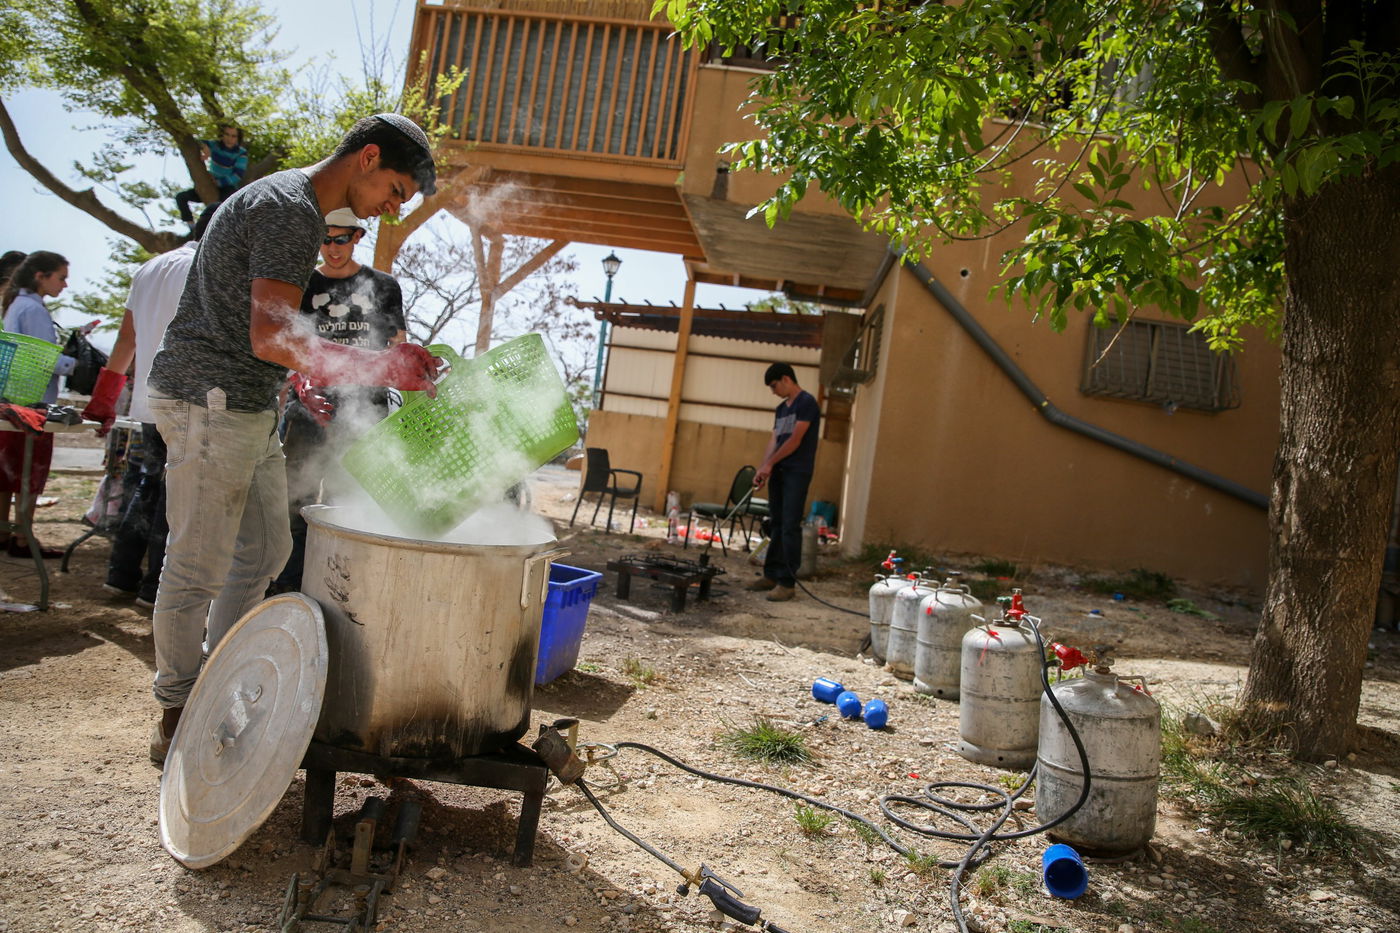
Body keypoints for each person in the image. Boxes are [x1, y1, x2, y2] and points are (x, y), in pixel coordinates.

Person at [144, 112, 441, 764]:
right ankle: (176, 711)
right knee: (197, 565)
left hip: (246, 406)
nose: (392, 209)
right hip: (208, 400)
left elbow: (277, 338)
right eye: (395, 190)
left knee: (268, 550)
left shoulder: (290, 205)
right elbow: (271, 337)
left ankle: (217, 688)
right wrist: (379, 366)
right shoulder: (288, 210)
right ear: (367, 158)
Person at [84, 211, 216, 607]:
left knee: (148, 484)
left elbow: (127, 339)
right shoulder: (207, 267)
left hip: (147, 399)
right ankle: (153, 587)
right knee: (175, 495)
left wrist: (104, 400)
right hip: (187, 399)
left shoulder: (150, 268)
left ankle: (120, 575)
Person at [272, 206, 406, 593]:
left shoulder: (383, 286)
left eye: (340, 239)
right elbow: (287, 347)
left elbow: (395, 346)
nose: (331, 248)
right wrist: (300, 384)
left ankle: (333, 589)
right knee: (293, 500)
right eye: (324, 239)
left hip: (366, 411)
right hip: (309, 408)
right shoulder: (304, 285)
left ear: (357, 238)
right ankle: (286, 589)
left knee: (345, 504)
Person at [1, 251, 79, 559]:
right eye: (61, 277)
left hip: (14, 399)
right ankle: (23, 538)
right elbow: (46, 359)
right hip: (34, 403)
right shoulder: (32, 309)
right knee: (29, 474)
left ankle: (7, 533)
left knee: (8, 472)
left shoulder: (16, 304)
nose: (65, 284)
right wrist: (80, 364)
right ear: (40, 276)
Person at [746, 362, 820, 602]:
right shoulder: (781, 409)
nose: (773, 391)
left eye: (774, 385)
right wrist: (764, 466)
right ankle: (771, 575)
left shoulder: (806, 403)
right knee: (775, 522)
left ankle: (787, 583)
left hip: (796, 472)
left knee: (789, 525)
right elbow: (775, 439)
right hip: (778, 471)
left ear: (786, 379)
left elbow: (795, 440)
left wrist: (770, 463)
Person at [173, 125, 248, 228]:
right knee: (181, 197)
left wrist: (219, 182)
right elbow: (196, 142)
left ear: (238, 138)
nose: (229, 138)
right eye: (227, 134)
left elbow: (238, 175)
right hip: (211, 182)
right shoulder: (215, 145)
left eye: (233, 136)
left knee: (225, 207)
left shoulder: (241, 153)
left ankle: (225, 229)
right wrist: (204, 148)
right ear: (222, 135)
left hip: (227, 186)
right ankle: (191, 226)